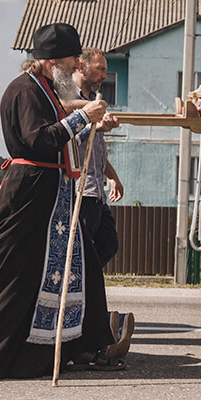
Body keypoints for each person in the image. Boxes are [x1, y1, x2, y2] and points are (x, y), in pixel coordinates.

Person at [0, 22, 121, 378]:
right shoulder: (24, 90)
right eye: (71, 61)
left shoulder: (47, 89)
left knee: (75, 267)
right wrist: (83, 117)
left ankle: (83, 343)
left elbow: (65, 114)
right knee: (4, 270)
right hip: (29, 192)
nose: (76, 68)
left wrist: (91, 118)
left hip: (52, 194)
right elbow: (39, 140)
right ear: (52, 61)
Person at [70, 47, 133, 359]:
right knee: (87, 260)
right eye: (101, 69)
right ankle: (86, 325)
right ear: (82, 66)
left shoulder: (92, 101)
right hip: (80, 190)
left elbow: (97, 146)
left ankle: (84, 302)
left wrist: (113, 176)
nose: (105, 75)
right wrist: (94, 124)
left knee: (108, 243)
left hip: (96, 186)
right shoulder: (70, 97)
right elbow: (71, 138)